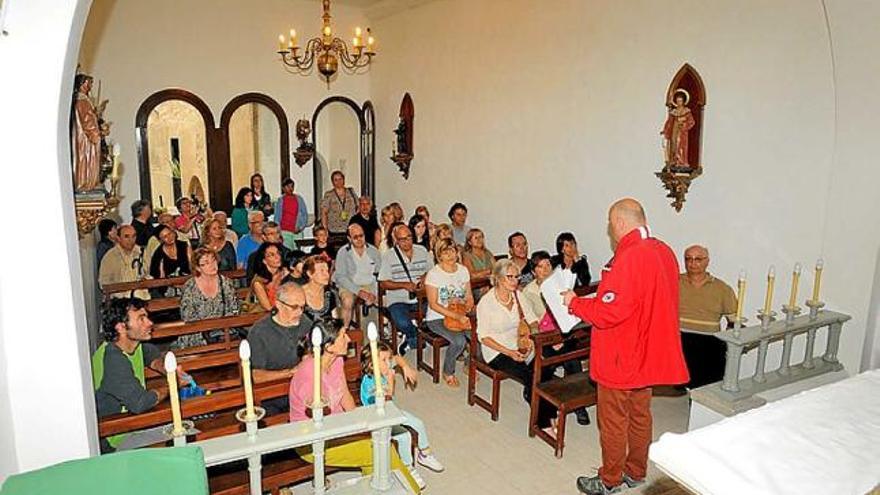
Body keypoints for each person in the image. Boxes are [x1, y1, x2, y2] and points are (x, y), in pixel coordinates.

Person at [563, 198, 688, 495]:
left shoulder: (629, 256)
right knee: (641, 415)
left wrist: (575, 303)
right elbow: (639, 301)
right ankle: (636, 471)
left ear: (619, 222)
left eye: (610, 223)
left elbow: (609, 312)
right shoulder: (664, 251)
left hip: (620, 356)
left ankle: (609, 480)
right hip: (645, 352)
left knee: (613, 420)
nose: (611, 229)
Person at [288, 321, 423, 493]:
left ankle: (379, 488)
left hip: (339, 427)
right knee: (381, 449)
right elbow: (322, 423)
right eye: (343, 335)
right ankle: (412, 490)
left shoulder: (336, 361)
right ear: (329, 346)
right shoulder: (309, 375)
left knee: (377, 444)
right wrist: (355, 431)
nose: (349, 338)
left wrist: (360, 423)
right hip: (314, 441)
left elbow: (345, 394)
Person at [91, 297, 182, 451]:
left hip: (133, 425)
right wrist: (172, 385)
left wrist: (166, 368)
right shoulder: (112, 359)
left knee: (187, 427)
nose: (149, 323)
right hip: (115, 438)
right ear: (120, 327)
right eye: (141, 318)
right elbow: (141, 403)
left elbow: (151, 355)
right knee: (184, 433)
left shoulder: (133, 345)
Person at [476, 259, 556, 431]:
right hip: (496, 350)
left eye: (517, 277)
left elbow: (533, 321)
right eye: (509, 277)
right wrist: (509, 352)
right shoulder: (487, 302)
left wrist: (529, 339)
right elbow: (483, 337)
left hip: (519, 343)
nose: (514, 281)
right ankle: (543, 421)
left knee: (545, 368)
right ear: (497, 278)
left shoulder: (518, 296)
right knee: (530, 377)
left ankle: (548, 411)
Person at [520, 250, 591, 426]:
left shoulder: (559, 285)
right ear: (533, 270)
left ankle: (578, 404)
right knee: (545, 366)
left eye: (548, 265)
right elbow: (532, 322)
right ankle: (535, 394)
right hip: (544, 337)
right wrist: (550, 338)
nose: (545, 269)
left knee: (572, 360)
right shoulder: (529, 292)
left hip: (564, 333)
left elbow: (570, 312)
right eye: (540, 266)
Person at [360, 342, 445, 482]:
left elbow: (397, 358)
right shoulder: (369, 384)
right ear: (371, 365)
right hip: (378, 421)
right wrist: (391, 381)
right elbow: (384, 401)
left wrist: (406, 368)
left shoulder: (383, 367)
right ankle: (408, 468)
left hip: (392, 412)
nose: (389, 363)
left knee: (418, 423)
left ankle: (425, 454)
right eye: (384, 360)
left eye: (388, 359)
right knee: (404, 436)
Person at [248, 283, 312, 414]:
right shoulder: (259, 332)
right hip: (272, 395)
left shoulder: (306, 323)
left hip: (303, 389)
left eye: (302, 307)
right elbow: (256, 376)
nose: (300, 312)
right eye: (294, 307)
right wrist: (289, 373)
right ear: (278, 304)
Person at [678, 244, 737, 388]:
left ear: (707, 261)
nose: (693, 263)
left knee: (708, 384)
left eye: (698, 259)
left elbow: (734, 321)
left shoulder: (722, 288)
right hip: (679, 338)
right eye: (688, 259)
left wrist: (729, 341)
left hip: (708, 341)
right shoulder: (673, 281)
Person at [424, 238, 474, 388]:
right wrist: (457, 316)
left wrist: (467, 304)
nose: (451, 255)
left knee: (478, 336)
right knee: (459, 341)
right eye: (446, 253)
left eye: (453, 251)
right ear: (439, 255)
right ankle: (448, 371)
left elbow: (469, 295)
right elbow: (433, 304)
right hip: (437, 317)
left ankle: (468, 362)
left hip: (460, 312)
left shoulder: (463, 270)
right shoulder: (434, 274)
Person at [379, 223, 433, 355]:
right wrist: (404, 285)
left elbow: (433, 271)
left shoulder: (422, 251)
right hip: (399, 299)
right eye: (403, 239)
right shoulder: (389, 256)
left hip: (421, 297)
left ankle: (412, 338)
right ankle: (413, 335)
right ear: (396, 240)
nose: (407, 241)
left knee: (438, 313)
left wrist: (424, 278)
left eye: (409, 237)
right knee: (402, 322)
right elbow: (383, 283)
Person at [177, 248, 241, 349]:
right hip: (197, 332)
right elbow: (187, 316)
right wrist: (207, 327)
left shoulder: (226, 282)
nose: (212, 265)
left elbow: (234, 309)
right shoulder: (190, 286)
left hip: (223, 330)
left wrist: (219, 325)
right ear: (198, 268)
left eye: (213, 260)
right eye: (206, 263)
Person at [333, 223, 381, 329]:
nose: (359, 239)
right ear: (349, 238)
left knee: (385, 299)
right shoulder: (343, 252)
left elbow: (379, 275)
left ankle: (382, 331)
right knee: (347, 301)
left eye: (361, 236)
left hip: (369, 284)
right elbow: (341, 277)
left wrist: (373, 292)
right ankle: (344, 330)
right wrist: (358, 291)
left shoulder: (373, 251)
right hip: (349, 284)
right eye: (355, 237)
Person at [99, 224, 149, 300]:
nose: (131, 240)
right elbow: (103, 284)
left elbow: (148, 274)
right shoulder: (110, 256)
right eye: (126, 236)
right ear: (118, 238)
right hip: (119, 299)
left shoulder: (142, 253)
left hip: (141, 297)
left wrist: (145, 280)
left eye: (134, 236)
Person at [72, 73, 102, 192]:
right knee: (86, 159)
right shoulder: (82, 101)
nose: (90, 86)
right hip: (85, 139)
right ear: (83, 84)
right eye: (89, 83)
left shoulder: (83, 100)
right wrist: (96, 134)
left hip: (85, 136)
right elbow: (87, 121)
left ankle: (87, 182)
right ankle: (85, 182)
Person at [320, 170, 358, 248]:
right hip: (334, 230)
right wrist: (325, 229)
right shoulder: (329, 195)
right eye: (336, 180)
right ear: (332, 182)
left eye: (340, 179)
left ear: (343, 180)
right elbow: (324, 212)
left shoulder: (351, 192)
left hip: (349, 228)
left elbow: (358, 207)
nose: (338, 182)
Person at [661, 89, 696, 169]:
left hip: (682, 132)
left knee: (681, 146)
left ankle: (682, 162)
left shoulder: (686, 111)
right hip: (674, 131)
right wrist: (665, 130)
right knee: (674, 145)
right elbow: (669, 122)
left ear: (683, 102)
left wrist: (684, 125)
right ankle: (674, 161)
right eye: (677, 101)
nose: (679, 103)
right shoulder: (674, 112)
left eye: (680, 101)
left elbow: (692, 122)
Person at [301, 255, 340, 324]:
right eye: (322, 271)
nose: (327, 275)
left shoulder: (330, 294)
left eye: (327, 271)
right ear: (309, 273)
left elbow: (335, 321)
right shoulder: (298, 294)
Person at [251, 242, 289, 312]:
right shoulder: (258, 282)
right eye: (271, 255)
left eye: (278, 253)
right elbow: (268, 308)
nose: (277, 257)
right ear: (264, 261)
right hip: (266, 315)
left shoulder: (285, 272)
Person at [274, 177, 309, 245]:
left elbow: (304, 214)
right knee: (287, 252)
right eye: (288, 186)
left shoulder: (299, 199)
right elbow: (277, 217)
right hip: (284, 231)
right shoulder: (280, 200)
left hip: (297, 231)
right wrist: (278, 231)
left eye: (292, 186)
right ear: (283, 188)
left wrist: (300, 227)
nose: (290, 188)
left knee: (297, 252)